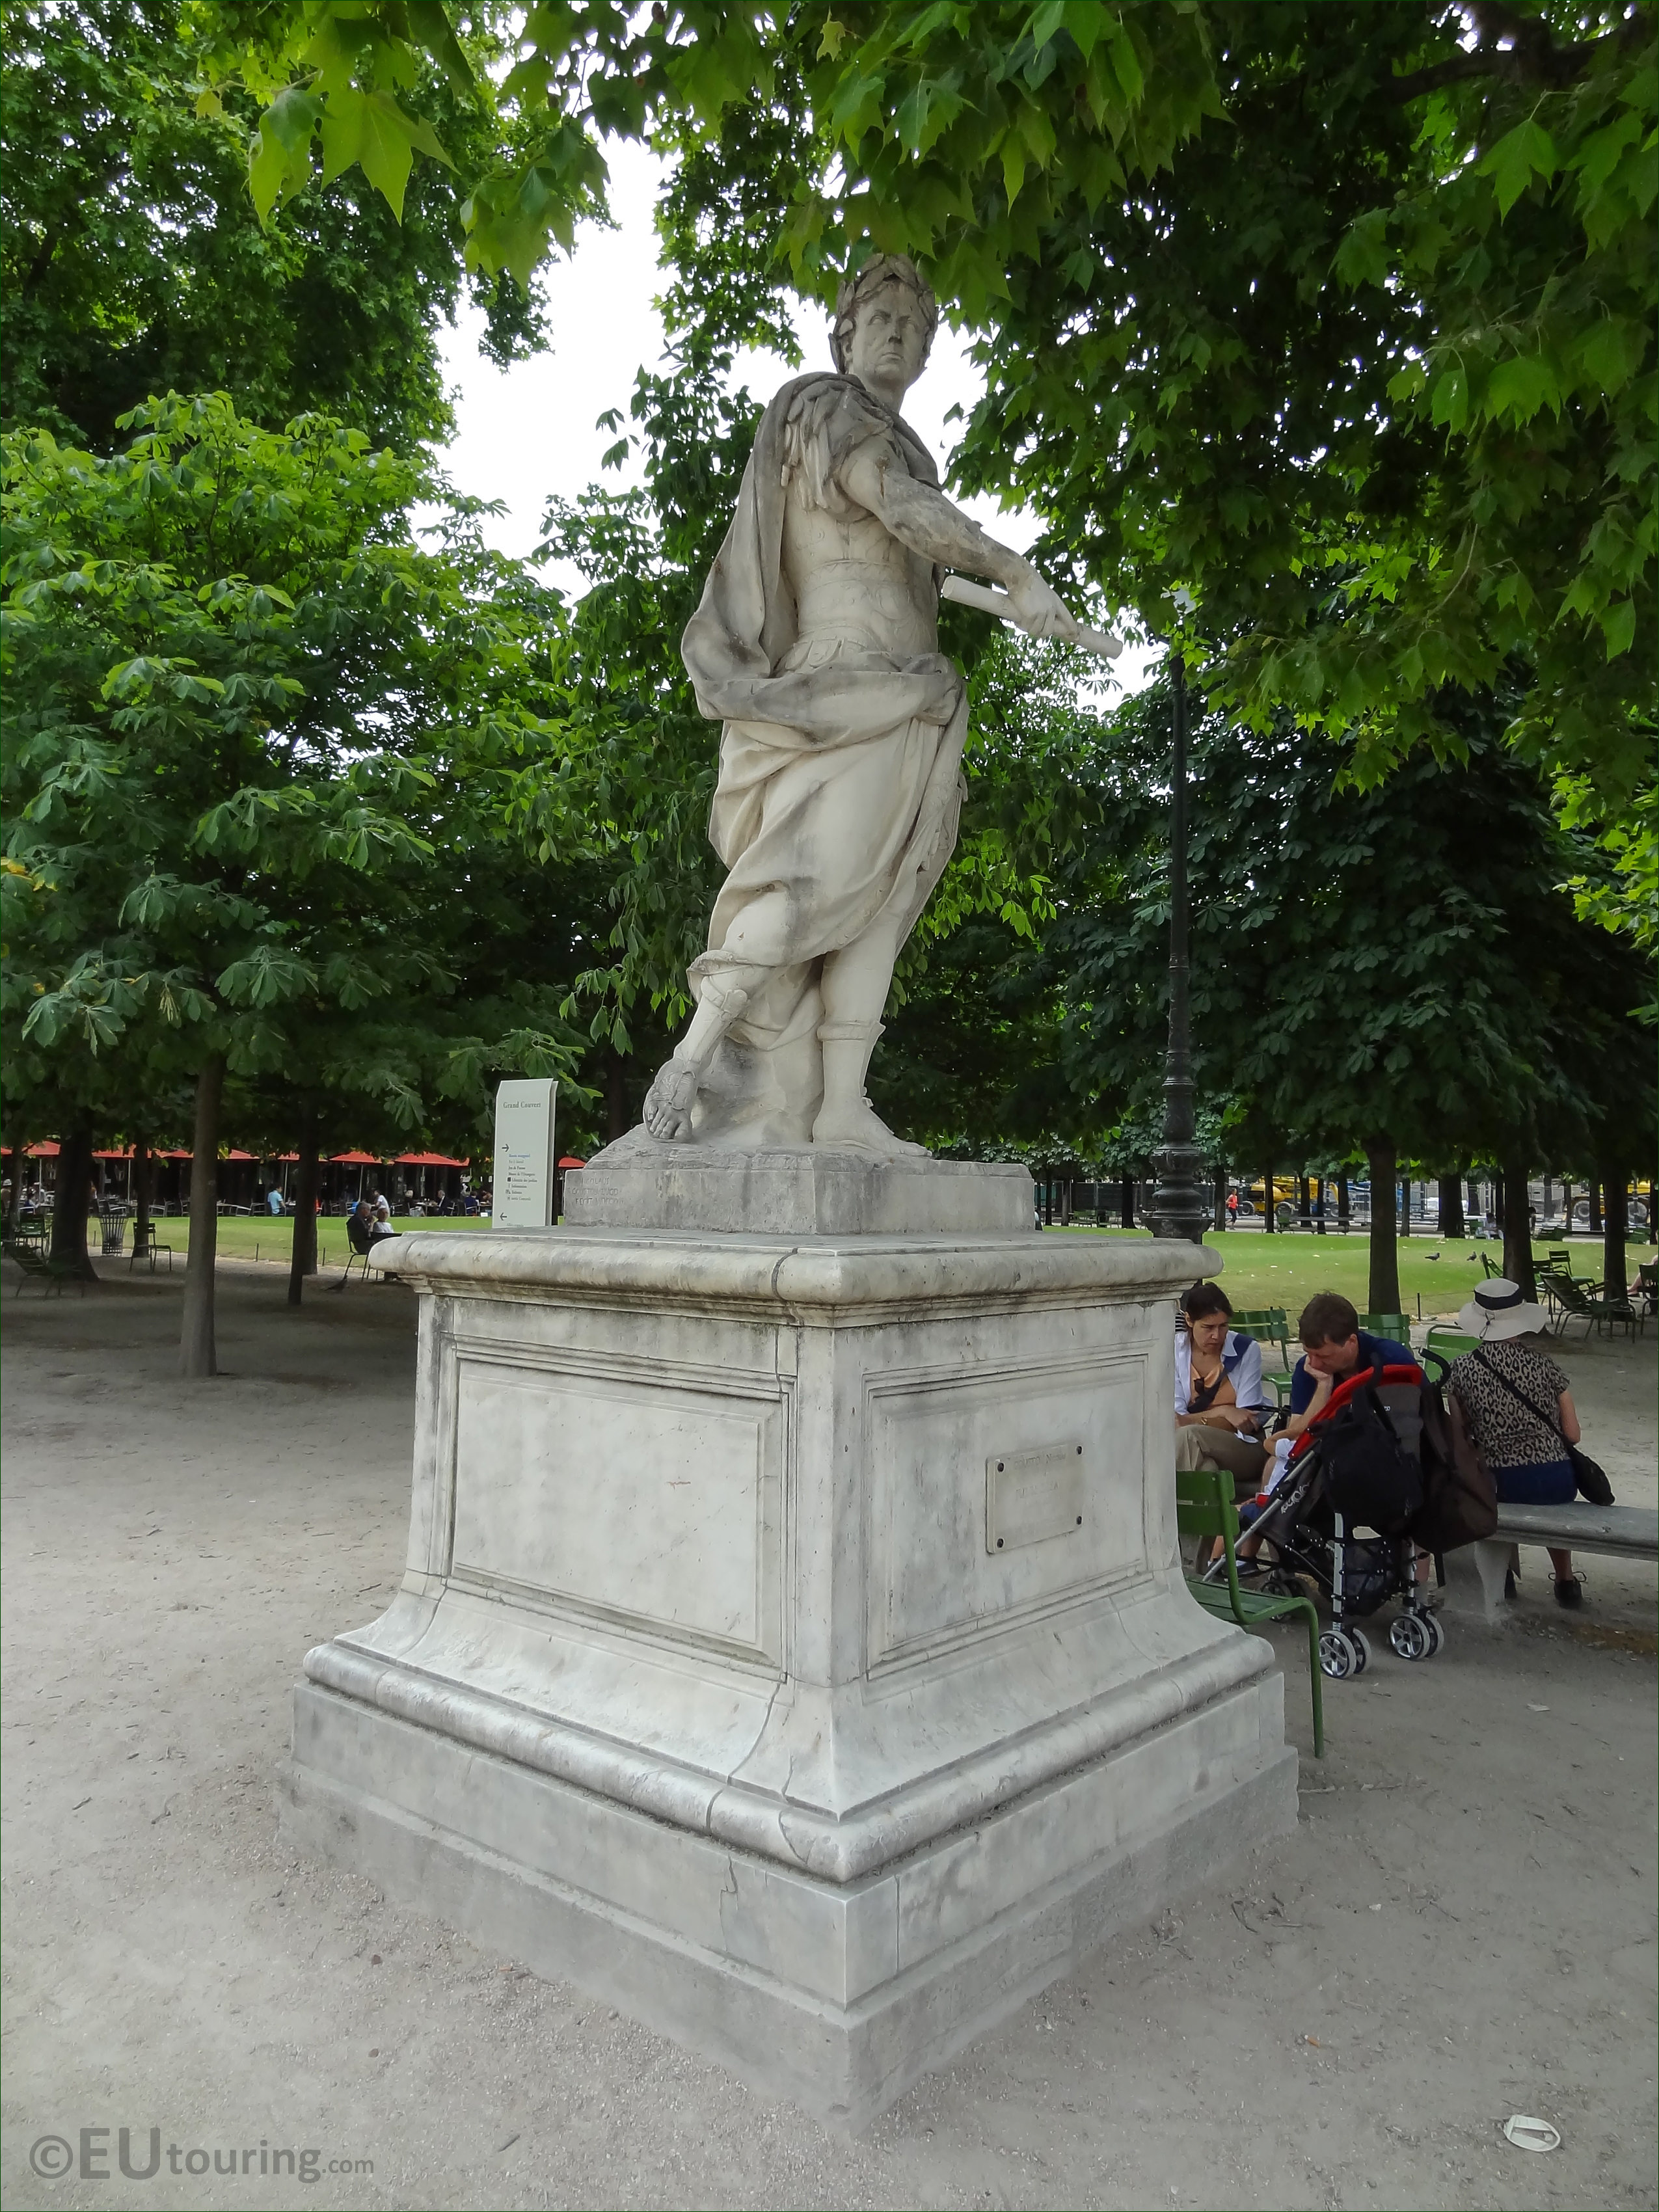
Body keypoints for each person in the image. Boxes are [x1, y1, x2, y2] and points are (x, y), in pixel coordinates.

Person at [641, 253, 1093, 1156]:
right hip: (841, 685)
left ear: (928, 353)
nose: (898, 334)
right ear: (842, 336)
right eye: (879, 319)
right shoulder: (829, 415)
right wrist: (1014, 569)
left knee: (881, 904)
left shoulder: (899, 439)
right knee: (808, 882)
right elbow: (896, 508)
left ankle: (842, 1106)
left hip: (912, 695)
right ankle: (690, 1057)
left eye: (915, 327)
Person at [1447, 1277, 1586, 1607]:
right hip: (1557, 1480)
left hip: (1503, 1481)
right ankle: (1566, 1581)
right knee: (1550, 1503)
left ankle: (1505, 1576)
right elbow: (1573, 1435)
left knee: (1494, 1488)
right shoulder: (1547, 1366)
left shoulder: (1462, 1370)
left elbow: (1458, 1436)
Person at [1283, 1292, 1413, 1438]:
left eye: (1323, 1356)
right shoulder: (1307, 1368)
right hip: (1329, 1455)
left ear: (1351, 1342)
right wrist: (1323, 1386)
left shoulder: (1390, 1358)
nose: (1314, 1363)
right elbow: (1294, 1438)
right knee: (1273, 1460)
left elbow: (1422, 1417)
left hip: (1390, 1450)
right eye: (1308, 1352)